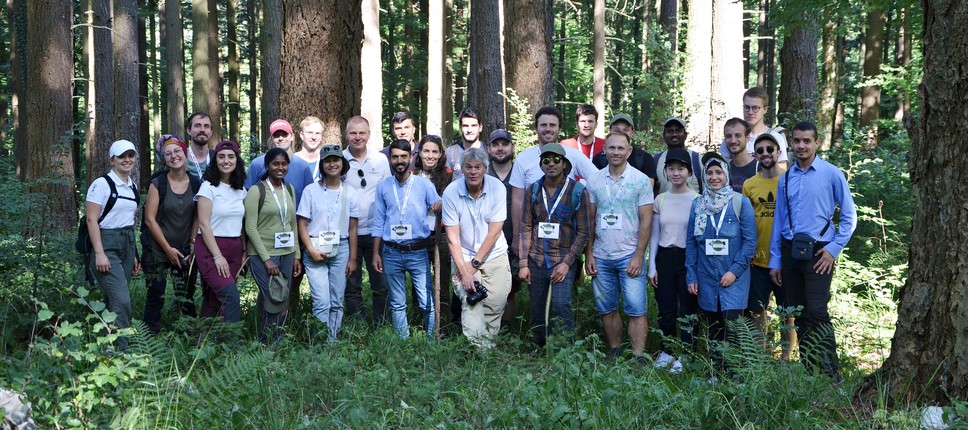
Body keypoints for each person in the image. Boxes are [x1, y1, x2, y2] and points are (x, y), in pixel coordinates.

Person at [769, 121, 856, 382]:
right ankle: (809, 369)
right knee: (798, 311)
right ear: (791, 144)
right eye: (797, 141)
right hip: (790, 251)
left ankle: (832, 374)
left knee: (817, 311)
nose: (801, 146)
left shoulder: (831, 174)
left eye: (807, 141)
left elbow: (850, 217)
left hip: (820, 252)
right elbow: (779, 222)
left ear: (817, 142)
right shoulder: (785, 179)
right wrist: (775, 260)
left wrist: (833, 249)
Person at [585, 132, 654, 363]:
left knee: (636, 308)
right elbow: (590, 220)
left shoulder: (641, 180)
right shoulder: (594, 180)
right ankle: (614, 350)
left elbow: (646, 220)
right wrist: (589, 254)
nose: (615, 152)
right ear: (604, 151)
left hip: (629, 254)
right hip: (601, 255)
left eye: (620, 148)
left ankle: (637, 356)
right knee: (606, 307)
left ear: (629, 151)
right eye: (611, 148)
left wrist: (638, 255)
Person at [685, 152, 756, 372]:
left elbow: (750, 242)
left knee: (733, 326)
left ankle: (736, 373)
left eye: (718, 172)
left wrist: (734, 272)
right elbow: (691, 244)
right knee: (714, 326)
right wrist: (691, 276)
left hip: (733, 277)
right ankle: (717, 371)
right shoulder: (697, 204)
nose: (714, 177)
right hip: (706, 276)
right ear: (704, 176)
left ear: (726, 174)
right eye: (710, 172)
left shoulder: (739, 202)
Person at [518, 143, 592, 346]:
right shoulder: (532, 190)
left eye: (556, 160)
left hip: (563, 260)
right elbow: (525, 227)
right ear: (541, 165)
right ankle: (539, 347)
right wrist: (523, 263)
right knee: (537, 307)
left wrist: (568, 263)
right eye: (546, 160)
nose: (551, 164)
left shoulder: (578, 192)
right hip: (536, 259)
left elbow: (584, 231)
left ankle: (564, 349)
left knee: (561, 306)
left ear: (564, 164)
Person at [442, 148, 512, 349]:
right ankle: (478, 350)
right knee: (471, 301)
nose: (473, 171)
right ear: (462, 169)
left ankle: (487, 347)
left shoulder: (497, 188)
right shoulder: (451, 193)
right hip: (463, 254)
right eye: (468, 167)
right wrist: (465, 271)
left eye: (478, 167)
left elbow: (495, 231)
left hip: (494, 254)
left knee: (495, 303)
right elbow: (452, 238)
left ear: (485, 169)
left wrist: (474, 266)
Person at [372, 140, 442, 339]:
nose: (399, 161)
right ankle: (403, 340)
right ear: (390, 159)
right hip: (391, 251)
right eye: (395, 157)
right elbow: (379, 220)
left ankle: (431, 338)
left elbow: (437, 202)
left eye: (404, 156)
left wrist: (439, 204)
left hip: (417, 251)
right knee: (397, 302)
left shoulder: (423, 184)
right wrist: (376, 253)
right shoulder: (383, 186)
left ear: (411, 158)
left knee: (425, 299)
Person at [509, 106, 598, 253]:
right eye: (543, 125)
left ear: (559, 128)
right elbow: (517, 200)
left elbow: (597, 180)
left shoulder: (572, 155)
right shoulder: (523, 158)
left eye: (552, 125)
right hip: (532, 238)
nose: (548, 129)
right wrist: (517, 237)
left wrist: (587, 201)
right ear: (536, 128)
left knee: (568, 274)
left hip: (566, 238)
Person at [297, 145, 360, 342]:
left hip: (341, 249)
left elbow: (352, 229)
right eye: (327, 161)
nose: (332, 164)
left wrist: (352, 258)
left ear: (343, 164)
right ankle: (319, 341)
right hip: (315, 248)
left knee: (337, 300)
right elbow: (302, 223)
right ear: (322, 164)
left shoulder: (350, 192)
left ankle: (332, 341)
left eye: (336, 160)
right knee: (322, 301)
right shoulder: (311, 190)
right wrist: (310, 249)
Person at [742, 130, 796, 360]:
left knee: (788, 313)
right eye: (760, 150)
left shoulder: (791, 179)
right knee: (757, 311)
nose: (765, 153)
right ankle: (760, 357)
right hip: (757, 259)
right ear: (755, 155)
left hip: (786, 259)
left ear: (778, 152)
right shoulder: (749, 184)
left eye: (769, 149)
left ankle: (786, 359)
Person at [647, 148, 699, 373]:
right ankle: (667, 350)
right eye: (671, 169)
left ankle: (687, 353)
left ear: (689, 172)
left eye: (681, 169)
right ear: (666, 172)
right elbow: (655, 234)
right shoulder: (661, 199)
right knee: (665, 307)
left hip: (688, 258)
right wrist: (652, 266)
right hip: (665, 257)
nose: (676, 173)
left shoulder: (698, 200)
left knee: (688, 308)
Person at [86, 140, 141, 349]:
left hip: (127, 244)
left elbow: (128, 222)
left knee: (113, 300)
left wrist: (134, 254)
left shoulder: (132, 186)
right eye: (121, 156)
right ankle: (122, 349)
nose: (127, 160)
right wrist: (99, 253)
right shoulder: (101, 184)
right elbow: (91, 220)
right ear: (112, 160)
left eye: (131, 155)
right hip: (106, 244)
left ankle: (105, 346)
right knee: (122, 300)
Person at [142, 135, 201, 334]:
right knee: (155, 294)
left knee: (185, 294)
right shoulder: (158, 184)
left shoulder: (196, 183)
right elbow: (149, 219)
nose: (173, 156)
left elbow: (197, 216)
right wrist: (167, 249)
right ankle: (149, 338)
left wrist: (193, 243)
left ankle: (188, 335)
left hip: (185, 249)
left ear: (184, 153)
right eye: (168, 154)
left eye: (177, 151)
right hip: (158, 250)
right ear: (163, 160)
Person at [244, 148, 301, 343]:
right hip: (263, 254)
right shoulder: (256, 190)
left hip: (287, 253)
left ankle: (277, 340)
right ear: (267, 166)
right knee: (272, 297)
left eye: (283, 164)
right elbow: (250, 227)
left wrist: (297, 255)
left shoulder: (290, 189)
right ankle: (265, 344)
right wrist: (266, 259)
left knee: (283, 297)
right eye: (275, 164)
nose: (280, 168)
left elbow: (293, 223)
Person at [342, 116, 393, 324]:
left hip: (376, 232)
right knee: (351, 283)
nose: (357, 137)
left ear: (369, 135)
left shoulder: (380, 160)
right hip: (347, 233)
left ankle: (382, 323)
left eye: (362, 133)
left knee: (380, 282)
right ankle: (359, 324)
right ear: (346, 135)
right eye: (353, 133)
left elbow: (388, 191)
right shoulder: (338, 159)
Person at [195, 140, 247, 323]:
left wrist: (244, 252)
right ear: (215, 160)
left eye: (231, 157)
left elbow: (241, 224)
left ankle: (205, 339)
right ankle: (231, 344)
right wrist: (218, 256)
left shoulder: (241, 190)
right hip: (211, 248)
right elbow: (203, 223)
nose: (226, 161)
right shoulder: (208, 187)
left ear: (237, 160)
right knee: (230, 297)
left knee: (214, 298)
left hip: (235, 248)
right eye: (221, 157)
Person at [413, 135, 455, 330]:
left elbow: (455, 201)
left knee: (443, 285)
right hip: (417, 236)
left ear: (440, 154)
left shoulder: (449, 175)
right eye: (426, 151)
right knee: (419, 285)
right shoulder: (411, 174)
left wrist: (443, 203)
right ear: (420, 153)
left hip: (441, 236)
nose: (430, 156)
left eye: (434, 152)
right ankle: (420, 326)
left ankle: (443, 327)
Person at [485, 129, 523, 328]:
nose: (500, 148)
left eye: (504, 144)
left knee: (511, 287)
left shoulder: (520, 171)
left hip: (513, 239)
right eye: (496, 144)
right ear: (488, 149)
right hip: (486, 240)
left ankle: (507, 328)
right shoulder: (481, 173)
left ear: (512, 147)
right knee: (488, 284)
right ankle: (487, 326)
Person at [245, 118, 315, 204]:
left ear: (292, 137)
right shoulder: (257, 164)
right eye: (276, 135)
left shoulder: (303, 166)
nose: (280, 138)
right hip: (264, 217)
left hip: (295, 217)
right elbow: (248, 194)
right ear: (271, 139)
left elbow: (310, 198)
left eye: (284, 135)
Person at [718, 86, 787, 168]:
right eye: (747, 107)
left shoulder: (775, 138)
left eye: (755, 108)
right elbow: (723, 168)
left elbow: (782, 173)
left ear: (765, 109)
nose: (750, 112)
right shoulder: (733, 138)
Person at [591, 114, 657, 184]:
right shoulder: (599, 160)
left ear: (632, 133)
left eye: (626, 130)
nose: (621, 133)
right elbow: (594, 186)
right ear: (610, 131)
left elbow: (647, 189)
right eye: (616, 130)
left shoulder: (645, 159)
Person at [653, 117, 703, 194]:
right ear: (664, 136)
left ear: (685, 135)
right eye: (670, 131)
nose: (674, 134)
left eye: (678, 131)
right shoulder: (656, 160)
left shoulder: (698, 160)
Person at [444, 108, 483, 177]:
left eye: (473, 126)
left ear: (480, 127)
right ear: (460, 128)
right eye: (465, 126)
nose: (469, 130)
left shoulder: (489, 152)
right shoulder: (450, 153)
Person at [724, 118, 758, 192]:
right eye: (729, 136)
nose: (733, 141)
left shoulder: (759, 168)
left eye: (738, 135)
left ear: (747, 138)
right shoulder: (724, 169)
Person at [293, 116, 325, 181]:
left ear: (321, 136)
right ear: (302, 135)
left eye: (317, 133)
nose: (313, 137)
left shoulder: (326, 160)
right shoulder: (293, 161)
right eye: (310, 133)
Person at [185, 112, 214, 178]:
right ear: (189, 130)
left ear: (211, 132)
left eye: (206, 126)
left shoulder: (218, 158)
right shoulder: (179, 159)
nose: (202, 130)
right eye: (197, 125)